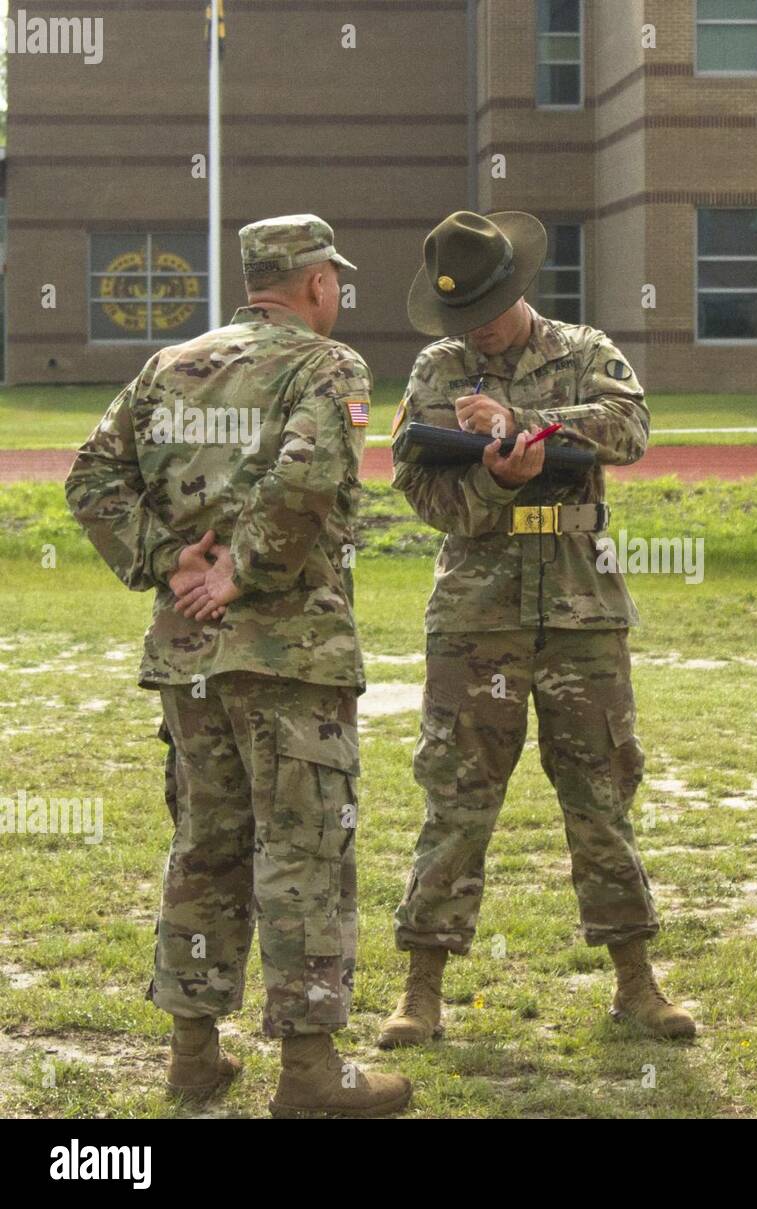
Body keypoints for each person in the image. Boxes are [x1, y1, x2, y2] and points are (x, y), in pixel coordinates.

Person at [65, 215, 411, 1117]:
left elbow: (90, 479)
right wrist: (238, 569)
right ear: (316, 284)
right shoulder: (325, 367)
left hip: (188, 661)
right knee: (304, 849)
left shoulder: (168, 367)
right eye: (334, 277)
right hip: (290, 655)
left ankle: (192, 1054)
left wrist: (166, 559)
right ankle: (308, 1071)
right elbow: (307, 478)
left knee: (206, 845)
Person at [379, 210, 695, 1047]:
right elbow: (416, 485)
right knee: (456, 795)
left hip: (581, 611)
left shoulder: (586, 351)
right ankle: (421, 991)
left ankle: (635, 981)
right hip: (477, 614)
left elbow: (630, 427)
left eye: (485, 308)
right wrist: (491, 479)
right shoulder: (438, 367)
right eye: (462, 317)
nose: (474, 330)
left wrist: (529, 429)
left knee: (602, 793)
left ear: (518, 287)